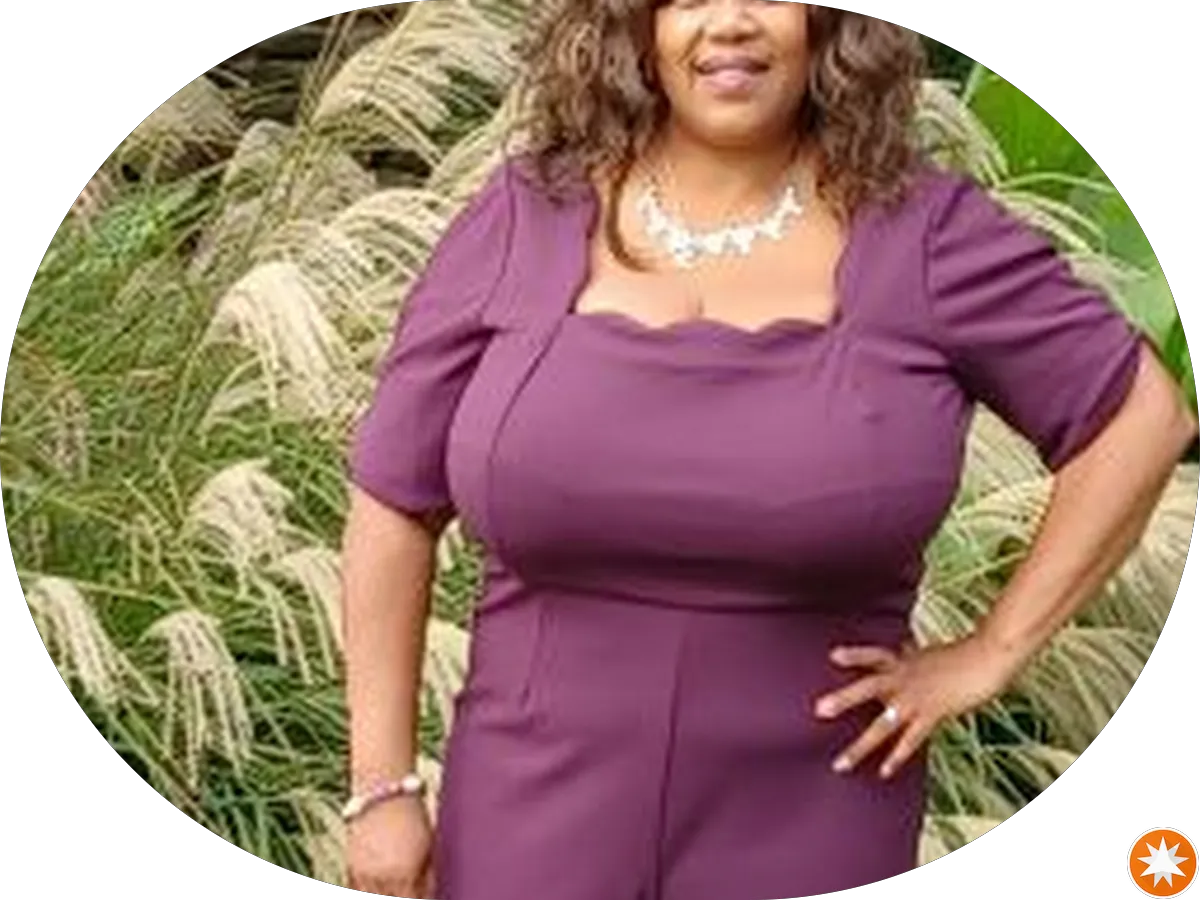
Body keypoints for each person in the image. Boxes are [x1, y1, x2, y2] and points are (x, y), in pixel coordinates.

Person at [338, 3, 1197, 899]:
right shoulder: (527, 213)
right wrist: (381, 788)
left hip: (817, 818)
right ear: (639, 25)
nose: (731, 23)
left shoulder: (928, 233)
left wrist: (993, 650)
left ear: (826, 23)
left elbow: (1141, 418)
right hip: (526, 818)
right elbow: (394, 499)